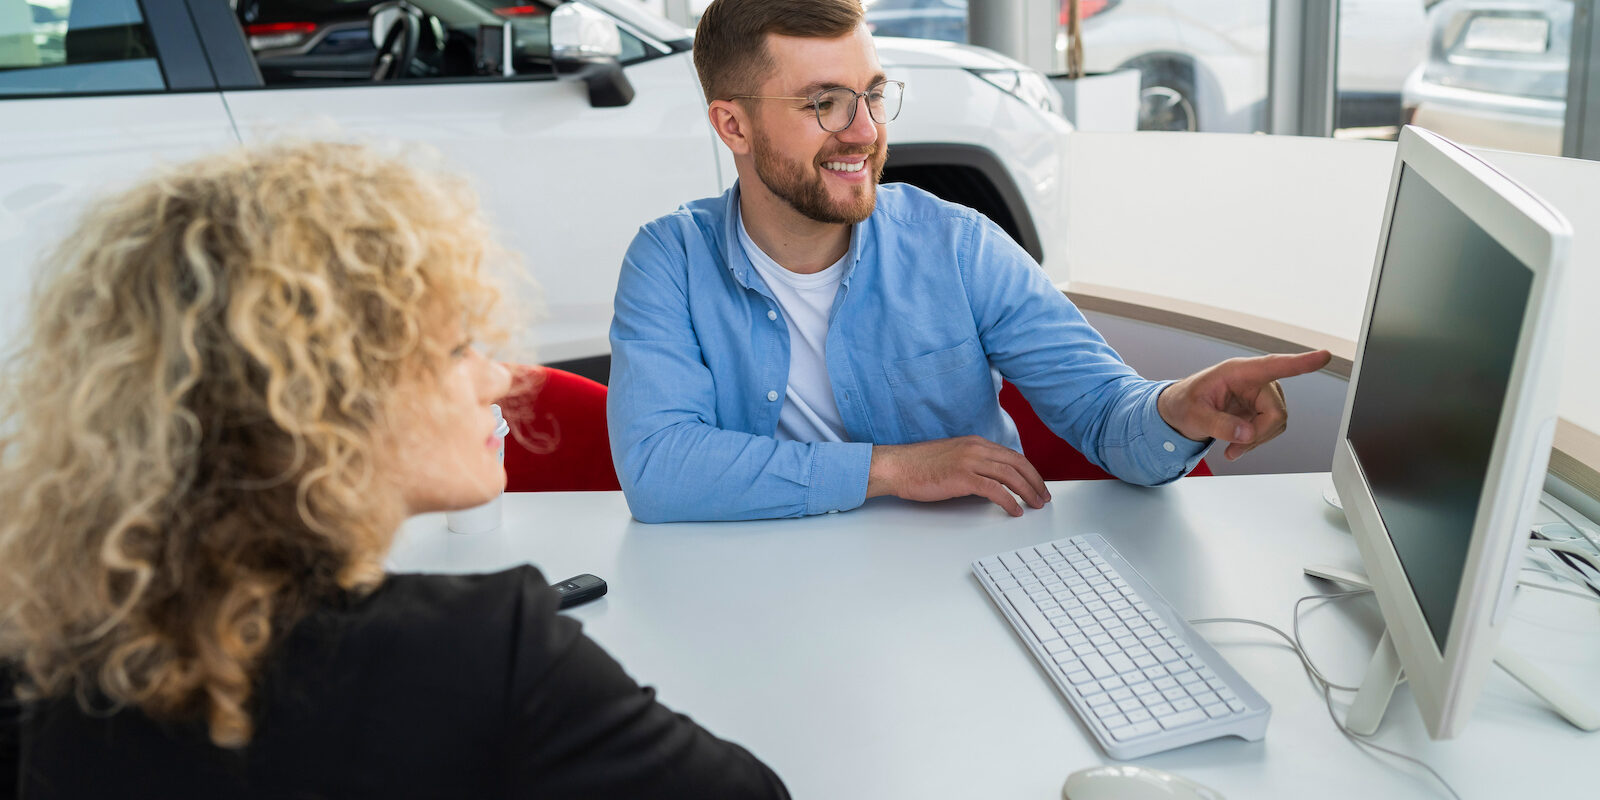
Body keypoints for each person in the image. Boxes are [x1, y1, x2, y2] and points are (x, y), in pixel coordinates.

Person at [0, 142, 788, 799]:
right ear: (324, 403)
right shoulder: (484, 653)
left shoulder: (41, 657)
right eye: (454, 350)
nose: (498, 379)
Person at [606, 0, 1331, 524]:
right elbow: (660, 472)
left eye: (873, 94)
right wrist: (893, 469)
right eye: (823, 103)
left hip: (957, 587)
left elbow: (1110, 420)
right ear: (732, 124)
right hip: (758, 594)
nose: (864, 131)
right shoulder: (668, 260)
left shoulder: (957, 244)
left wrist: (1178, 409)